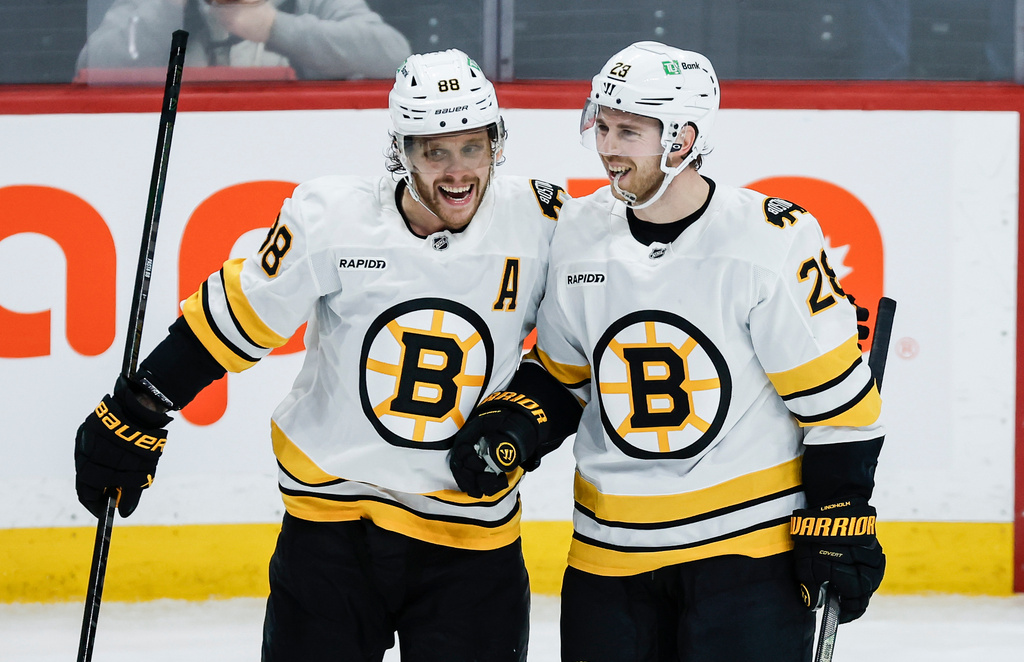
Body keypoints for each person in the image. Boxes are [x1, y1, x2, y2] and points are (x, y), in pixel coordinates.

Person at [74, 48, 576, 661]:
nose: (457, 172)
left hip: (470, 539)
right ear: (402, 150)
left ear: (497, 143)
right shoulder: (333, 219)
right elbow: (240, 318)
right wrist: (141, 406)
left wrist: (523, 418)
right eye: (434, 152)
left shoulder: (542, 220)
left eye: (473, 148)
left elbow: (573, 352)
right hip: (331, 530)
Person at [448, 41, 886, 661]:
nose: (607, 147)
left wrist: (841, 510)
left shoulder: (766, 239)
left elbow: (837, 404)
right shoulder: (578, 232)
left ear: (682, 140)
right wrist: (515, 423)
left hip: (745, 553)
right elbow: (565, 376)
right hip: (609, 556)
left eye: (628, 131)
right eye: (602, 126)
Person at [77, 0, 410, 80]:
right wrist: (169, 9)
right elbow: (92, 67)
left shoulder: (308, 3)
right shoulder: (159, 7)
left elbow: (392, 55)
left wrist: (274, 27)